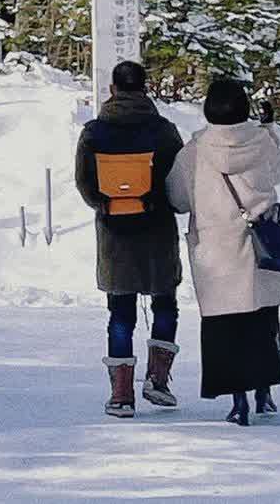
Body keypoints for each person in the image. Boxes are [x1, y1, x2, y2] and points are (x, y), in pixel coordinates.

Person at [167, 78, 280, 426]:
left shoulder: (193, 153)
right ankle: (264, 392)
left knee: (226, 328)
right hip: (261, 247)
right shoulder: (261, 143)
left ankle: (239, 403)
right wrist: (269, 132)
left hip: (217, 254)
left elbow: (177, 199)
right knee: (262, 320)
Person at [75, 60, 184, 418]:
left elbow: (85, 184)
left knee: (121, 314)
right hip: (157, 232)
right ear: (145, 88)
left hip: (115, 236)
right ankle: (158, 380)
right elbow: (177, 183)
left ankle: (122, 395)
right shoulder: (164, 131)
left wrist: (107, 204)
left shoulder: (94, 132)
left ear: (112, 89)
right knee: (164, 305)